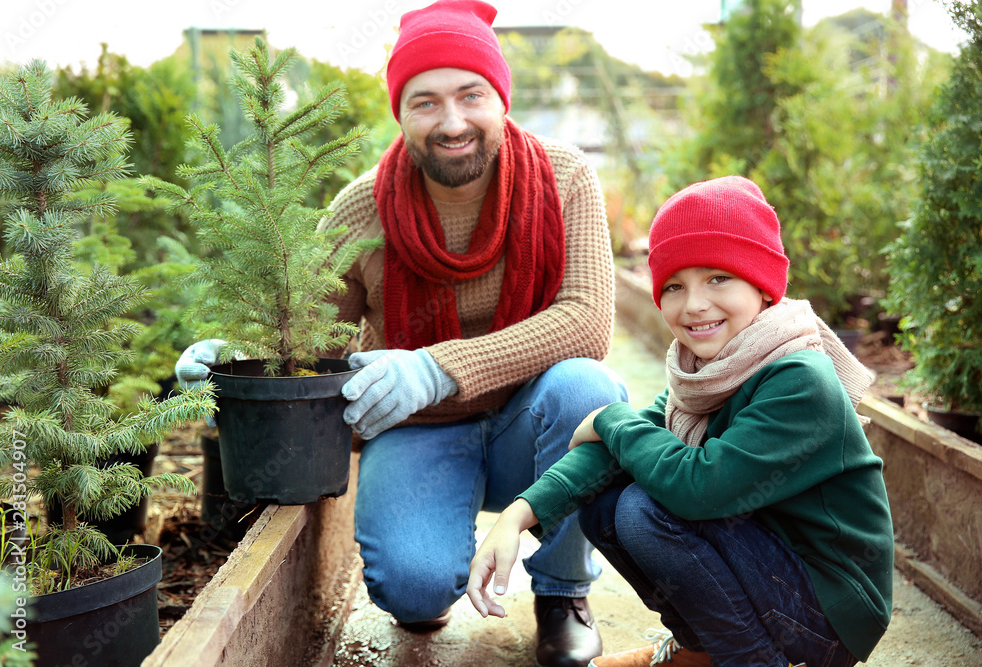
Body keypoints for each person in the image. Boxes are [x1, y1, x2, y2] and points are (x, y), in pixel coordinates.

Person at [175, 1, 626, 665]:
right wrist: (231, 362)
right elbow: (304, 336)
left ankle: (562, 593)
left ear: (500, 97)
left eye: (471, 95)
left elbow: (587, 319)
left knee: (588, 386)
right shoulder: (362, 207)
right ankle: (434, 559)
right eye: (425, 102)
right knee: (412, 592)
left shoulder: (563, 177)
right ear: (401, 112)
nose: (452, 122)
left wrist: (434, 366)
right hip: (420, 430)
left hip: (532, 421)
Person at [467, 175, 894, 667]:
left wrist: (612, 418)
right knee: (605, 499)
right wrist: (516, 518)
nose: (694, 305)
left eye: (718, 278)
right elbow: (615, 455)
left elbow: (699, 487)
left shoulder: (799, 378)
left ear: (762, 284)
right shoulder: (708, 371)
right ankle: (702, 651)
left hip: (828, 607)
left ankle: (751, 660)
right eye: (674, 286)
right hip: (771, 569)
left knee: (646, 510)